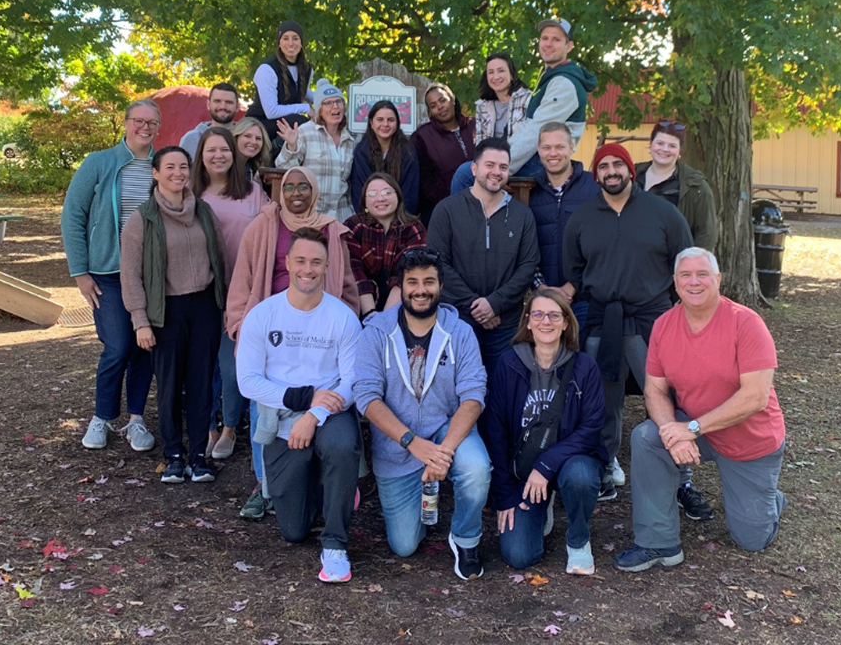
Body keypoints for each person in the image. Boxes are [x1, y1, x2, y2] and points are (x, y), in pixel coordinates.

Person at [613, 248, 787, 571]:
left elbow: (755, 398)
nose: (694, 282)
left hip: (749, 441)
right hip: (697, 430)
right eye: (686, 275)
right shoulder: (665, 326)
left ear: (718, 279)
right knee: (648, 436)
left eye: (702, 274)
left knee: (751, 538)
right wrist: (674, 433)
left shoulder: (746, 323)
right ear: (675, 283)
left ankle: (770, 502)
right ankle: (658, 542)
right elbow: (654, 391)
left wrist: (690, 429)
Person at [562, 143, 694, 502]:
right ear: (596, 175)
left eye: (617, 164)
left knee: (665, 394)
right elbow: (573, 268)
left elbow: (683, 262)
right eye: (603, 166)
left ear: (629, 170)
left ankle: (682, 476)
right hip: (602, 319)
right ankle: (605, 466)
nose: (611, 172)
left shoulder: (662, 213)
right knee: (603, 400)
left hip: (651, 318)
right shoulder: (583, 217)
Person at [226, 167, 359, 521]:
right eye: (290, 186)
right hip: (270, 325)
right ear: (280, 191)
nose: (297, 192)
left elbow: (344, 280)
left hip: (320, 323)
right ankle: (264, 483)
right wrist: (240, 320)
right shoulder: (263, 225)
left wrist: (349, 316)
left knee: (328, 414)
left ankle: (325, 479)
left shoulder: (330, 229)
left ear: (314, 192)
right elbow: (244, 276)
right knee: (263, 402)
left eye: (304, 186)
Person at [353, 248, 490, 580]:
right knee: (404, 545)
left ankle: (465, 538)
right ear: (400, 287)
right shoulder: (376, 331)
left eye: (429, 281)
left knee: (475, 468)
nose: (421, 289)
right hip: (398, 445)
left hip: (445, 430)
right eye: (412, 282)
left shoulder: (460, 332)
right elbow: (366, 396)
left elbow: (473, 395)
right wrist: (413, 444)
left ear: (441, 285)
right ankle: (422, 491)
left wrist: (441, 454)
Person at [236, 227, 362, 583]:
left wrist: (315, 413)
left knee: (340, 444)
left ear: (326, 267)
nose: (308, 269)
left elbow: (351, 382)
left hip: (330, 411)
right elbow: (247, 381)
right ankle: (327, 486)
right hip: (280, 412)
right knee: (294, 530)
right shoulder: (262, 315)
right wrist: (303, 399)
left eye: (317, 262)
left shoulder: (342, 318)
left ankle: (336, 543)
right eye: (301, 260)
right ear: (288, 262)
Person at [119, 146, 229, 484]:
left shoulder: (204, 212)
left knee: (200, 384)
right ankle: (174, 456)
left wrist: (225, 304)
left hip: (205, 308)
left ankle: (198, 456)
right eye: (170, 167)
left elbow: (220, 260)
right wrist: (140, 320)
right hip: (165, 310)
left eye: (183, 167)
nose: (177, 173)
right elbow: (131, 273)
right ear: (155, 173)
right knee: (168, 386)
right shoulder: (143, 218)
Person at [482, 289, 609, 575]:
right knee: (519, 556)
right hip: (524, 471)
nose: (546, 321)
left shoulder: (584, 366)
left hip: (570, 462)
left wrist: (546, 465)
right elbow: (496, 432)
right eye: (538, 314)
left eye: (554, 315)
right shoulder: (508, 364)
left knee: (579, 476)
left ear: (566, 322)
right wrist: (505, 495)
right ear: (527, 322)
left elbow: (591, 428)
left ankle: (578, 540)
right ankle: (544, 503)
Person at [61, 98, 159, 453]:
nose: (145, 128)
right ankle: (102, 417)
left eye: (152, 123)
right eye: (139, 121)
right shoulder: (99, 163)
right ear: (126, 122)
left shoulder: (161, 165)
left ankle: (135, 419)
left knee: (143, 347)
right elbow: (72, 215)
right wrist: (80, 272)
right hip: (107, 272)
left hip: (151, 275)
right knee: (117, 345)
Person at [426, 137, 540, 376]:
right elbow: (438, 264)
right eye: (490, 165)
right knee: (463, 394)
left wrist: (494, 304)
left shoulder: (522, 215)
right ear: (475, 168)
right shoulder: (446, 211)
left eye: (503, 167)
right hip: (458, 321)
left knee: (503, 394)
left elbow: (528, 266)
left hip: (506, 324)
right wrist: (476, 306)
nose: (496, 172)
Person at [191, 128, 269, 460]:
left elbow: (270, 231)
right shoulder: (190, 193)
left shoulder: (252, 192)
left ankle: (230, 427)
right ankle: (207, 426)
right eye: (211, 150)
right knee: (202, 364)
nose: (218, 155)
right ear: (201, 155)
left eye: (224, 149)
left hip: (242, 290)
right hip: (201, 290)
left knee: (231, 364)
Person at [450, 17, 597, 190]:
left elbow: (535, 132)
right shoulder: (550, 78)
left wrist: (502, 168)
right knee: (471, 168)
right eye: (545, 38)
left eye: (556, 39)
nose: (548, 44)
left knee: (465, 175)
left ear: (569, 46)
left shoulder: (564, 84)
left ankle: (464, 217)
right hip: (529, 155)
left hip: (544, 160)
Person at [527, 122, 600, 328]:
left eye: (559, 146)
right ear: (539, 150)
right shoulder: (530, 192)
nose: (553, 153)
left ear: (572, 147)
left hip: (585, 300)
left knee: (583, 358)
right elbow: (526, 249)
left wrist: (571, 287)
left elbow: (602, 245)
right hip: (543, 301)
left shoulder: (594, 188)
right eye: (547, 147)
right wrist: (541, 288)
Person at [343, 173, 426, 316]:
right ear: (365, 201)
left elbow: (408, 275)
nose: (380, 198)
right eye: (373, 194)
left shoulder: (413, 228)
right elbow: (355, 272)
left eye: (387, 192)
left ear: (398, 196)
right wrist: (370, 315)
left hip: (401, 305)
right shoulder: (354, 226)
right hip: (361, 304)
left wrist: (384, 320)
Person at [276, 79, 357, 223]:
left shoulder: (352, 137)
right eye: (328, 103)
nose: (335, 106)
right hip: (311, 218)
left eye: (339, 101)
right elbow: (284, 170)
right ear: (319, 109)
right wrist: (292, 147)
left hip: (343, 219)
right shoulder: (304, 132)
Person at [635, 121, 718, 250]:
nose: (665, 149)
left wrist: (690, 266)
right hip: (630, 262)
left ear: (679, 150)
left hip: (671, 264)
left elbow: (706, 234)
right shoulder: (631, 176)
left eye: (672, 145)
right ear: (651, 145)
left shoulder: (696, 186)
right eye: (660, 143)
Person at [411, 83, 475, 222]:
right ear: (430, 111)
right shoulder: (422, 136)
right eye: (433, 105)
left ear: (452, 99)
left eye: (442, 100)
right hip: (447, 208)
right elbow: (425, 182)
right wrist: (454, 198)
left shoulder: (475, 126)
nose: (440, 107)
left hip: (485, 201)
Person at [244, 20, 314, 141]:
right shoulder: (267, 69)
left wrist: (330, 101)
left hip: (286, 121)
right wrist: (306, 108)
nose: (290, 43)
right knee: (302, 124)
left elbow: (303, 91)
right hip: (259, 124)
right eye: (285, 38)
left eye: (295, 38)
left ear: (301, 42)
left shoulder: (306, 69)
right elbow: (271, 111)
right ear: (279, 43)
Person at [349, 100, 419, 214]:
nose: (385, 124)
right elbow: (359, 193)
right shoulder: (361, 151)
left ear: (397, 123)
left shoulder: (408, 151)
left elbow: (410, 193)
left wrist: (398, 222)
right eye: (380, 119)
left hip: (401, 220)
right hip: (369, 219)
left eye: (390, 120)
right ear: (371, 123)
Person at [473, 52, 531, 143]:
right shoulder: (482, 106)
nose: (496, 77)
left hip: (522, 155)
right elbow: (480, 143)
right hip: (491, 155)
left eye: (501, 71)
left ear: (511, 75)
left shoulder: (527, 99)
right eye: (491, 72)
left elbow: (531, 138)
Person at [179, 83, 239, 158]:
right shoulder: (191, 139)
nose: (223, 106)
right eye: (217, 101)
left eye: (229, 102)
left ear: (237, 107)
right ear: (208, 104)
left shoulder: (246, 139)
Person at [232, 116, 273, 180]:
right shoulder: (224, 166)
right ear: (236, 138)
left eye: (258, 138)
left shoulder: (257, 169)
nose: (254, 142)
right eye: (247, 136)